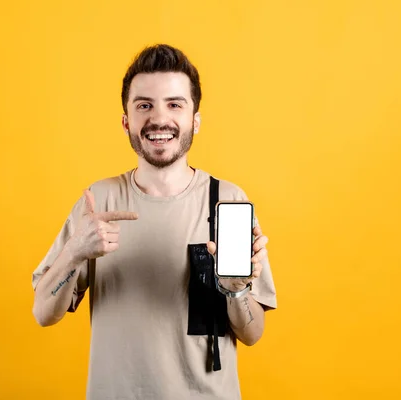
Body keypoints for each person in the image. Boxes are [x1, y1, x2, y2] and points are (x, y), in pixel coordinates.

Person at [31, 44, 277, 400]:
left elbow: (252, 334)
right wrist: (74, 253)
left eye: (175, 104)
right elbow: (43, 313)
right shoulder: (97, 202)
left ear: (195, 119)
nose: (159, 119)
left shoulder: (228, 201)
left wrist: (236, 289)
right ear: (126, 120)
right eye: (144, 105)